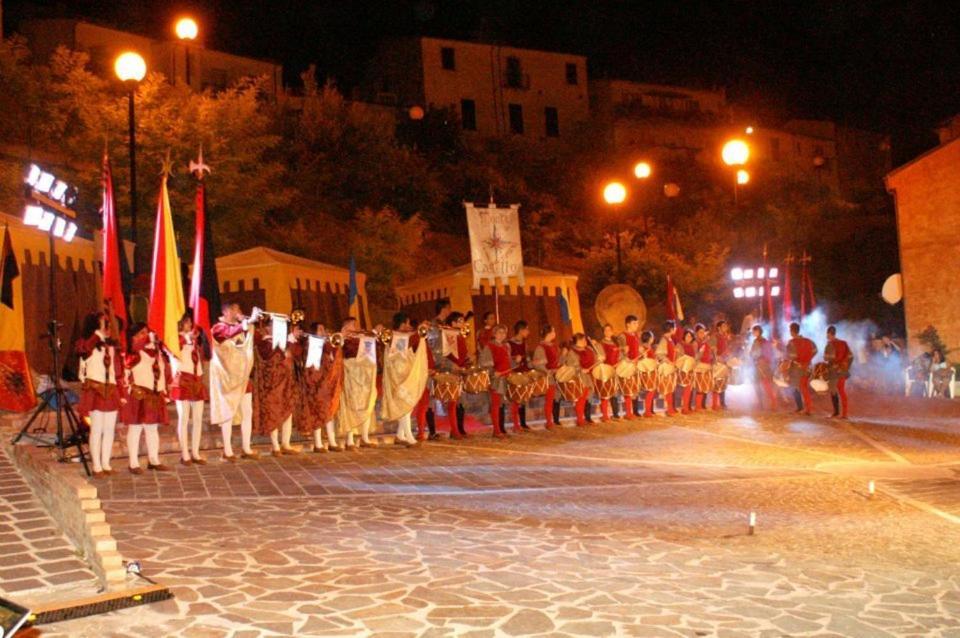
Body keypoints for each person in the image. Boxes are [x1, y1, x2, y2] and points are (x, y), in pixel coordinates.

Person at [210, 302, 260, 462]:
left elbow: (252, 341)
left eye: (239, 309)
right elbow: (228, 333)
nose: (238, 312)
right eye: (235, 309)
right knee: (228, 413)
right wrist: (247, 322)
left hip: (243, 376)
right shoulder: (218, 327)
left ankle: (246, 447)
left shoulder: (241, 326)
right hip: (227, 378)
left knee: (247, 412)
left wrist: (253, 323)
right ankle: (227, 450)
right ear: (226, 311)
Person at [76, 311, 123, 477]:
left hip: (110, 390)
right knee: (96, 429)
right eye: (104, 323)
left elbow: (117, 372)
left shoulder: (111, 346)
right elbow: (84, 349)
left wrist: (121, 391)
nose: (107, 327)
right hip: (95, 390)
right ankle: (96, 466)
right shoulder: (86, 344)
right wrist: (97, 334)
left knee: (109, 429)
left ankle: (106, 463)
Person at [122, 323, 171, 474]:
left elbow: (163, 373)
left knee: (152, 429)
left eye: (147, 332)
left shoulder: (156, 353)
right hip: (139, 395)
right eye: (142, 333)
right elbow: (127, 367)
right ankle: (133, 463)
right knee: (136, 428)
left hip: (154, 395)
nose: (146, 336)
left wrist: (164, 390)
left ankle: (154, 460)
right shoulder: (133, 354)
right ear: (134, 336)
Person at [381, 312, 429, 447]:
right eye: (407, 323)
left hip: (405, 373)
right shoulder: (394, 337)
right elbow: (409, 343)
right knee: (405, 405)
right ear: (402, 324)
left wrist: (418, 331)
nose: (409, 326)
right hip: (398, 376)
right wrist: (419, 331)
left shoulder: (403, 336)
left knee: (407, 405)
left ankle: (400, 435)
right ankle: (409, 437)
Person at [254, 317, 300, 455]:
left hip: (287, 380)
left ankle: (286, 443)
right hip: (272, 383)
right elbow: (270, 353)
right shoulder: (264, 341)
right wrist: (288, 339)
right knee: (273, 412)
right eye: (275, 326)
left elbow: (296, 353)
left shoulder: (282, 340)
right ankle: (275, 445)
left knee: (288, 411)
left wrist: (292, 340)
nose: (278, 329)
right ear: (267, 328)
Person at [296, 322, 344, 453]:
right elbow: (312, 367)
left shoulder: (325, 344)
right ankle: (318, 443)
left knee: (329, 413)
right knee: (317, 412)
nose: (324, 332)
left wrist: (333, 344)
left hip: (327, 383)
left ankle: (332, 441)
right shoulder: (312, 345)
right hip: (316, 384)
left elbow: (333, 357)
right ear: (314, 332)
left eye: (324, 329)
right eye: (321, 330)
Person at [169, 313, 208, 465]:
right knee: (184, 418)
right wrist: (186, 338)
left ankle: (196, 452)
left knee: (197, 419)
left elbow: (204, 357)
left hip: (196, 380)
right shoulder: (175, 340)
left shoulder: (194, 341)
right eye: (186, 322)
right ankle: (184, 453)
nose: (189, 325)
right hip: (183, 381)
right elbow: (174, 349)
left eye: (190, 322)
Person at [336, 317, 379, 450]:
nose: (354, 327)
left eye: (354, 324)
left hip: (365, 374)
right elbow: (336, 347)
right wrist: (342, 334)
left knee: (368, 403)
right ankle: (350, 441)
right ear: (345, 326)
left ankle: (364, 438)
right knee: (351, 405)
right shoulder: (342, 337)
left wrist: (374, 333)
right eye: (351, 325)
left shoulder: (362, 336)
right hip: (351, 372)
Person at [441, 312, 472, 439]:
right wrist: (452, 366)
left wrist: (468, 360)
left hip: (461, 371)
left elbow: (463, 354)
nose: (463, 323)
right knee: (453, 402)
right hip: (452, 372)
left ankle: (460, 428)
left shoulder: (460, 336)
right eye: (460, 321)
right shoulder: (447, 335)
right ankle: (454, 431)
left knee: (461, 402)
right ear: (452, 323)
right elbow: (442, 355)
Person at [478, 324, 512, 438]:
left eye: (504, 332)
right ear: (495, 334)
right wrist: (493, 373)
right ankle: (496, 430)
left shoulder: (506, 346)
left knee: (502, 405)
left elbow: (508, 362)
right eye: (500, 332)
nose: (502, 335)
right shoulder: (489, 347)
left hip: (505, 378)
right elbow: (484, 364)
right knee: (495, 405)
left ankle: (501, 428)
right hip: (496, 380)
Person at [409, 319, 438, 441]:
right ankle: (420, 432)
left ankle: (426, 431)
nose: (427, 327)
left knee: (427, 405)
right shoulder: (415, 339)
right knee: (422, 404)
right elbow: (413, 358)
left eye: (428, 325)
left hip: (428, 375)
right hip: (420, 375)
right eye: (424, 325)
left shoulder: (425, 339)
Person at [531, 324, 561, 429]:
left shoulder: (553, 346)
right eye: (553, 331)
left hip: (555, 375)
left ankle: (553, 421)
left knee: (554, 399)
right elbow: (538, 363)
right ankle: (549, 422)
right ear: (548, 333)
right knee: (549, 400)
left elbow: (556, 361)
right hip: (547, 377)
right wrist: (547, 371)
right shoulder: (541, 347)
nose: (554, 333)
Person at [564, 333, 597, 427]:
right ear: (578, 341)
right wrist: (580, 369)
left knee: (586, 398)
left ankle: (585, 418)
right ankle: (579, 419)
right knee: (580, 398)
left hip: (588, 376)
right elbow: (571, 366)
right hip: (579, 377)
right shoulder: (572, 352)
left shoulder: (589, 349)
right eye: (583, 340)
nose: (585, 341)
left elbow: (596, 358)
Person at [786, 322, 818, 415]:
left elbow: (791, 356)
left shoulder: (791, 343)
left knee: (796, 387)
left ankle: (803, 408)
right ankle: (806, 408)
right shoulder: (809, 341)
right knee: (804, 387)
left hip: (796, 368)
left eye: (790, 330)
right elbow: (815, 350)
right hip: (807, 367)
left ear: (792, 331)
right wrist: (809, 359)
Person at [508, 321, 532, 431]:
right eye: (527, 329)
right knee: (516, 399)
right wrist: (515, 360)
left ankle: (523, 423)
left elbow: (526, 359)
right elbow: (507, 360)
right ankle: (515, 424)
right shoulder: (509, 344)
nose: (528, 332)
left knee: (523, 399)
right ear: (521, 330)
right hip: (514, 373)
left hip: (523, 372)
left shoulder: (525, 343)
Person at [824, 325, 852, 418]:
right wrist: (846, 366)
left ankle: (837, 413)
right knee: (840, 390)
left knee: (834, 390)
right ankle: (843, 413)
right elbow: (851, 356)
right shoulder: (844, 343)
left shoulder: (830, 345)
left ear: (829, 334)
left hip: (834, 371)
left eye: (827, 334)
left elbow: (827, 358)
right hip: (842, 370)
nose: (827, 336)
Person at [617, 315, 642, 419]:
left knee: (635, 387)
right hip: (627, 365)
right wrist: (627, 359)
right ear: (628, 324)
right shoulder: (622, 336)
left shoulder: (636, 335)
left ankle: (635, 411)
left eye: (637, 323)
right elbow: (620, 352)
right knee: (628, 388)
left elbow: (637, 349)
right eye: (634, 323)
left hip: (635, 365)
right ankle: (628, 413)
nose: (637, 325)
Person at [597, 324, 622, 421]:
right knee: (605, 392)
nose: (608, 332)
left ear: (612, 331)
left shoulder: (616, 343)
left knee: (614, 392)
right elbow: (600, 358)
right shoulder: (601, 344)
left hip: (615, 370)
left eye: (609, 330)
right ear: (604, 332)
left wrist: (618, 363)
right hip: (606, 370)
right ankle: (605, 415)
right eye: (606, 330)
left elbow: (619, 355)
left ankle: (615, 414)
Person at [750, 325, 778, 410]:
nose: (753, 333)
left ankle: (768, 403)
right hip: (763, 364)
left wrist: (752, 355)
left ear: (758, 331)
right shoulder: (763, 341)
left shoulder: (759, 341)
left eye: (754, 331)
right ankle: (768, 403)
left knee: (761, 384)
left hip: (761, 365)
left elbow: (756, 353)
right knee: (763, 384)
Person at [654, 320, 679, 416]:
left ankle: (671, 408)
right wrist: (669, 362)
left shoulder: (669, 339)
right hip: (666, 367)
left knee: (670, 388)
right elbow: (660, 354)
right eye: (675, 328)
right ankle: (669, 409)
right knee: (668, 388)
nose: (676, 329)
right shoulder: (664, 339)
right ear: (671, 329)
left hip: (670, 366)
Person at [694, 323, 716, 410]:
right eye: (700, 332)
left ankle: (703, 405)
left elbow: (710, 354)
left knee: (705, 387)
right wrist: (701, 351)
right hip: (699, 366)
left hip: (707, 366)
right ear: (696, 333)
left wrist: (712, 357)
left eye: (703, 332)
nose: (702, 334)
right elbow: (696, 356)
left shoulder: (706, 342)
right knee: (700, 387)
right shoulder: (695, 342)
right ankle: (698, 406)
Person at [711, 320, 733, 409]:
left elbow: (727, 350)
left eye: (726, 326)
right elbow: (713, 349)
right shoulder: (715, 336)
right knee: (716, 382)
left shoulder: (725, 337)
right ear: (719, 327)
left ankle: (722, 402)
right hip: (718, 362)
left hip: (724, 362)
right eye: (723, 326)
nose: (725, 327)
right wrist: (717, 358)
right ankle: (714, 404)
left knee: (723, 382)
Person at [678, 329, 698, 414]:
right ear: (684, 336)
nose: (689, 338)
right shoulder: (680, 345)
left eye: (690, 336)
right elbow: (679, 357)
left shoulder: (693, 345)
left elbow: (695, 357)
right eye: (687, 336)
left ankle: (686, 407)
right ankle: (684, 408)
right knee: (684, 389)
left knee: (689, 389)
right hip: (682, 370)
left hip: (690, 370)